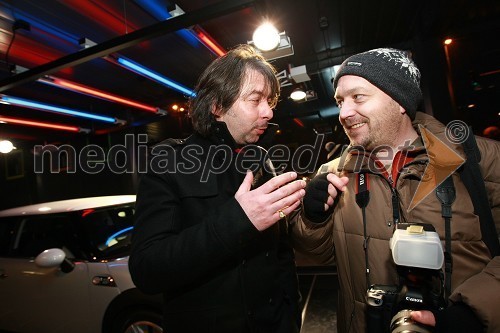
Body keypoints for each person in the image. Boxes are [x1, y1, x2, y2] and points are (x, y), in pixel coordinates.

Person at [292, 48, 500, 332]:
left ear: (399, 100)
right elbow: (317, 256)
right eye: (340, 101)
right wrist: (313, 217)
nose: (345, 112)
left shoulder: (479, 161)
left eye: (358, 97)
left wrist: (473, 313)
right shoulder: (333, 174)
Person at [128, 44, 306, 333]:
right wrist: (238, 221)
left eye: (270, 101)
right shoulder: (170, 160)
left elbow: (281, 255)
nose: (268, 112)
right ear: (217, 106)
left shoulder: (262, 160)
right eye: (255, 100)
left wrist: (290, 314)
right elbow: (147, 269)